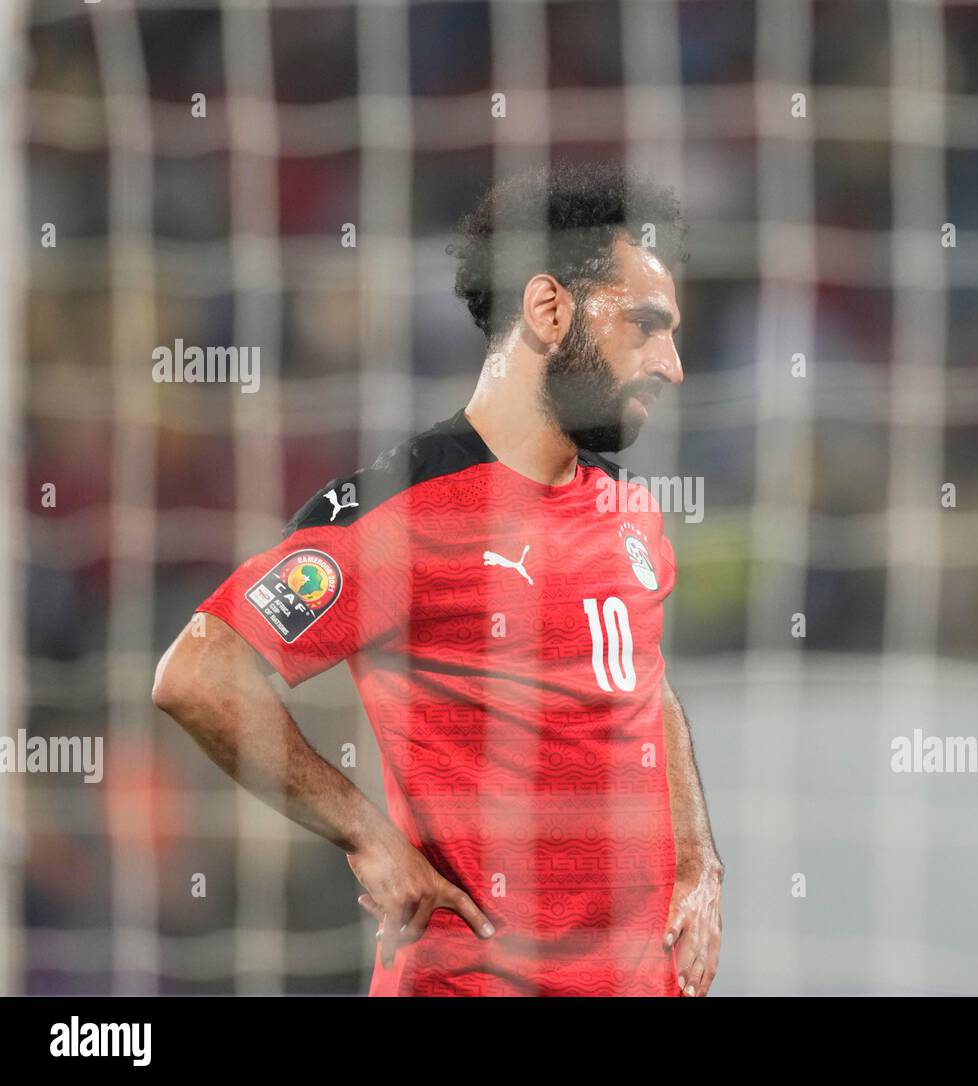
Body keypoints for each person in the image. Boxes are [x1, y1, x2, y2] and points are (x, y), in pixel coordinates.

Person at [152, 161, 723, 996]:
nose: (671, 365)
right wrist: (364, 834)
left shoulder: (627, 510)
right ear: (548, 307)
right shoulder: (402, 512)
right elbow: (197, 674)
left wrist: (699, 859)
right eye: (645, 325)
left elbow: (647, 683)